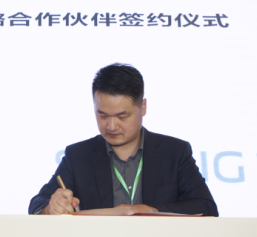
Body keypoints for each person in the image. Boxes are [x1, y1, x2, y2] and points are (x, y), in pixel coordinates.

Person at [28, 63, 218, 216]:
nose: (111, 126)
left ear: (143, 107)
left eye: (122, 116)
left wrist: (151, 210)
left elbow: (207, 207)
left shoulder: (174, 152)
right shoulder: (78, 155)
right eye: (102, 115)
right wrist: (50, 208)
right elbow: (37, 203)